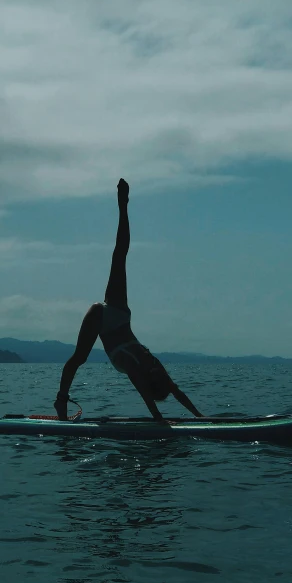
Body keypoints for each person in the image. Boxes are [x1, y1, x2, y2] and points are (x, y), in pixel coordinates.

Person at [54, 179, 204, 422]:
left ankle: (60, 400)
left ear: (151, 380)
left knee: (80, 358)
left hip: (101, 318)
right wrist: (200, 416)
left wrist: (157, 418)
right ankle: (123, 205)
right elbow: (177, 391)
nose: (158, 368)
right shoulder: (156, 369)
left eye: (156, 375)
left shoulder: (135, 369)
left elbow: (144, 392)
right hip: (120, 313)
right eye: (160, 374)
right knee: (120, 256)